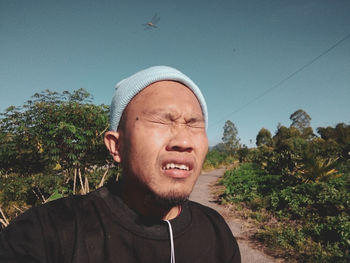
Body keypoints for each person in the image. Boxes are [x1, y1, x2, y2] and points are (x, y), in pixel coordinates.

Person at [0, 66, 241, 262]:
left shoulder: (216, 231)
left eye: (193, 124)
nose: (184, 141)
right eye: (161, 121)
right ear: (116, 146)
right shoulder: (48, 232)